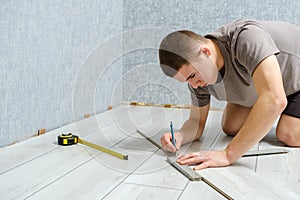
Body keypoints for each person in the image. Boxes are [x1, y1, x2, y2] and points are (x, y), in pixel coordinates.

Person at [158, 19, 300, 170]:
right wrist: (179, 136)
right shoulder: (199, 80)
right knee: (231, 126)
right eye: (187, 80)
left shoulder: (246, 39)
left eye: (192, 76)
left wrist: (228, 154)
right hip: (274, 83)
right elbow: (196, 122)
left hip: (296, 79)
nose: (193, 85)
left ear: (205, 52)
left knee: (289, 134)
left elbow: (275, 100)